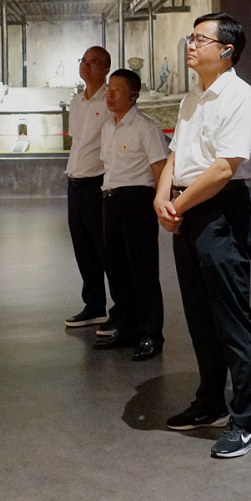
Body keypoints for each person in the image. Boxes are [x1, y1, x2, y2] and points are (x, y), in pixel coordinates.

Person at [155, 12, 251, 458]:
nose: (191, 45)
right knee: (199, 315)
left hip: (219, 209)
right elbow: (175, 154)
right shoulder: (193, 96)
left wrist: (177, 205)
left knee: (231, 319)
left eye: (200, 39)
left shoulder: (240, 96)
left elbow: (223, 168)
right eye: (191, 37)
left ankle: (247, 422)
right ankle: (210, 401)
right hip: (186, 207)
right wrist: (161, 196)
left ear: (227, 51)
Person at [95, 68, 168, 359]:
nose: (109, 95)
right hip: (110, 200)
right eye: (108, 90)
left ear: (133, 95)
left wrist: (161, 204)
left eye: (116, 90)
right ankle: (127, 328)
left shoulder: (145, 128)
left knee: (142, 270)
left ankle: (151, 334)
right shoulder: (107, 128)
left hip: (137, 201)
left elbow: (161, 169)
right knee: (117, 269)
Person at [62, 46, 113, 330]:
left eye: (93, 62)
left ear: (105, 68)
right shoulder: (76, 101)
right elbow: (78, 143)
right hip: (76, 182)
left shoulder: (110, 99)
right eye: (83, 60)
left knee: (105, 249)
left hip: (98, 182)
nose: (85, 65)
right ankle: (94, 305)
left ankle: (121, 309)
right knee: (83, 248)